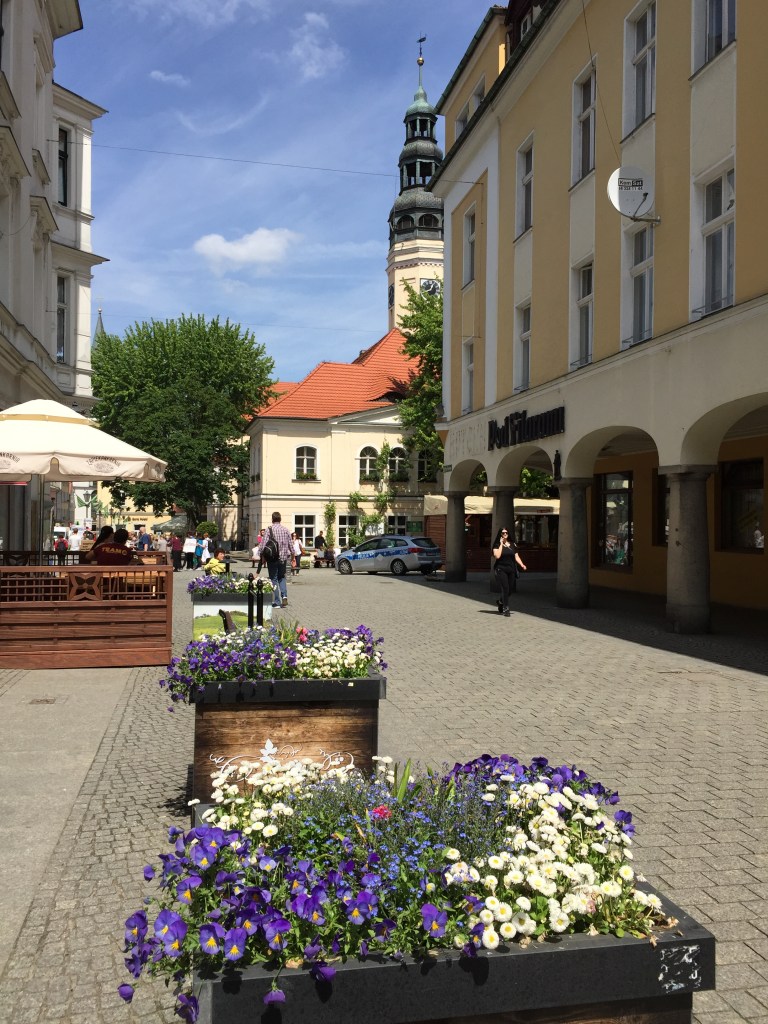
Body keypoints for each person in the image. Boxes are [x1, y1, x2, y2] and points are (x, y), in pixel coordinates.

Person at [259, 511, 293, 609]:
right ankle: (284, 596)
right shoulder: (286, 530)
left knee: (273, 578)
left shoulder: (269, 530)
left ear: (272, 519)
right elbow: (291, 545)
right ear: (280, 519)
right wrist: (293, 556)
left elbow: (263, 545)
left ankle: (277, 602)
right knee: (282, 577)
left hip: (272, 558)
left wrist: (261, 556)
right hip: (283, 558)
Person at [492, 526, 526, 618]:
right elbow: (497, 556)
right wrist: (500, 544)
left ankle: (500, 602)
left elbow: (516, 556)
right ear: (500, 534)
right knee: (505, 588)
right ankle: (506, 608)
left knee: (510, 590)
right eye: (503, 533)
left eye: (506, 533)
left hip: (511, 570)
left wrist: (522, 564)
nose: (505, 534)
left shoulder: (512, 544)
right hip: (501, 569)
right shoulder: (496, 545)